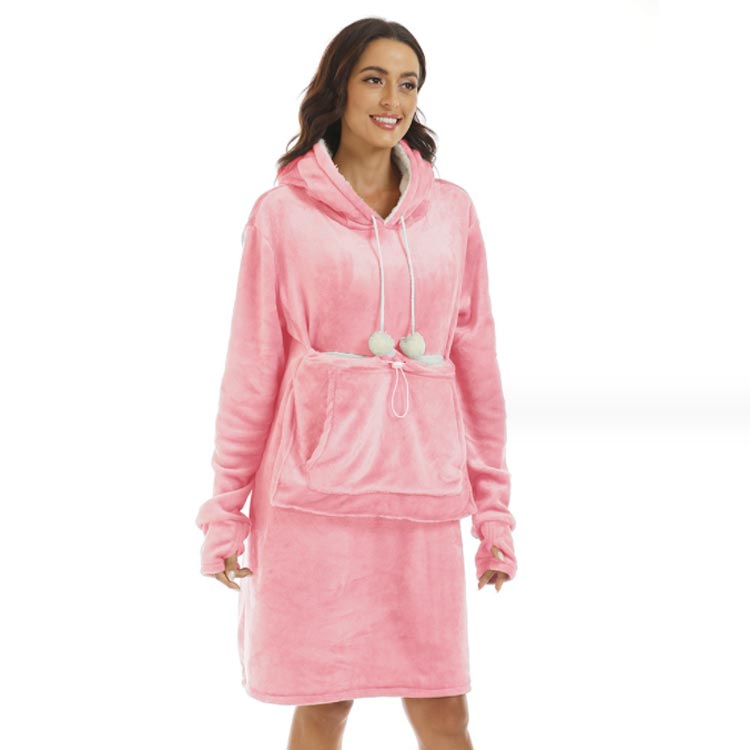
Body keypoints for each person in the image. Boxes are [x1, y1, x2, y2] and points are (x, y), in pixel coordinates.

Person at [194, 17, 518, 750]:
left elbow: (477, 367)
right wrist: (225, 513)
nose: (392, 100)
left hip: (421, 494)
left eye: (408, 84)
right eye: (375, 79)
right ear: (338, 86)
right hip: (312, 498)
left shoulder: (452, 213)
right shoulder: (282, 216)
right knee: (324, 703)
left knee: (444, 713)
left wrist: (493, 512)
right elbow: (251, 371)